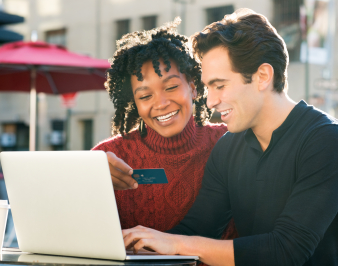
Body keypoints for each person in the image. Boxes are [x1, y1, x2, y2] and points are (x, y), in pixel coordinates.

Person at [122, 8, 338, 266]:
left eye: (219, 85)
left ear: (262, 76)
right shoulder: (228, 148)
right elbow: (196, 231)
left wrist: (176, 244)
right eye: (208, 87)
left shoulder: (328, 140)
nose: (210, 101)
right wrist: (131, 244)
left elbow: (287, 251)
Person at [92, 19, 237, 239]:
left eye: (171, 87)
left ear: (193, 87)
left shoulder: (231, 143)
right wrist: (89, 184)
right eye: (145, 96)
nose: (160, 103)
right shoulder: (109, 160)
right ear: (135, 103)